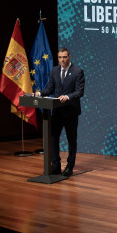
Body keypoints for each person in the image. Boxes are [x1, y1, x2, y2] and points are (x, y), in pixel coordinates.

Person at [35, 47, 85, 177]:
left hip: (71, 111)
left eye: (64, 57)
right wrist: (39, 93)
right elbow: (50, 88)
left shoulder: (77, 71)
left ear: (69, 57)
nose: (62, 60)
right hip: (57, 111)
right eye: (60, 57)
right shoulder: (55, 70)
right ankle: (56, 165)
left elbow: (80, 92)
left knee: (71, 139)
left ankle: (70, 166)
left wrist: (67, 96)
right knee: (53, 138)